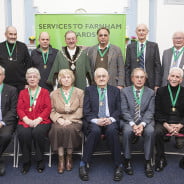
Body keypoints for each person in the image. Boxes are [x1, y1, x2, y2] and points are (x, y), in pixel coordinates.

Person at [79, 68, 123, 181]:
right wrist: (96, 120)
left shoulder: (115, 91)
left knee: (112, 131)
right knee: (95, 131)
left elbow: (119, 110)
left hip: (110, 120)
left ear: (108, 78)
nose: (102, 78)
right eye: (98, 76)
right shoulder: (89, 90)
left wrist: (111, 119)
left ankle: (118, 165)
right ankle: (84, 163)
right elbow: (86, 111)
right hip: (95, 121)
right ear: (94, 79)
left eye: (104, 76)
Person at [121, 68, 155, 178]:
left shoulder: (150, 92)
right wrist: (133, 124)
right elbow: (124, 110)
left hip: (145, 121)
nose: (139, 79)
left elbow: (150, 111)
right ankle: (127, 160)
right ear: (132, 78)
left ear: (145, 79)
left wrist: (142, 124)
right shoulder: (124, 91)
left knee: (150, 131)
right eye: (137, 77)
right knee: (127, 131)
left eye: (142, 77)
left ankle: (147, 161)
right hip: (129, 120)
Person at [17, 67, 51, 174]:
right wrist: (26, 119)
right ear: (26, 79)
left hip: (41, 120)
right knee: (24, 133)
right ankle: (26, 161)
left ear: (38, 79)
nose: (32, 79)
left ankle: (40, 160)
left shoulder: (45, 92)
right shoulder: (22, 93)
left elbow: (48, 108)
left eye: (34, 77)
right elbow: (19, 108)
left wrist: (39, 119)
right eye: (29, 77)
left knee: (38, 132)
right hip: (25, 121)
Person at [49, 69, 84, 174]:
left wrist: (70, 119)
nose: (66, 79)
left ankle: (69, 157)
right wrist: (58, 119)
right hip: (59, 119)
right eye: (63, 77)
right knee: (57, 129)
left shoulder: (80, 92)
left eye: (68, 77)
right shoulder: (54, 94)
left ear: (72, 79)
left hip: (75, 120)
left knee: (70, 129)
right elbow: (51, 110)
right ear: (59, 80)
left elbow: (82, 108)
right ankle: (61, 159)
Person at [155, 67, 184, 172]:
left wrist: (180, 125)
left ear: (181, 80)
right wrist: (166, 125)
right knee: (157, 132)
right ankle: (161, 158)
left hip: (180, 122)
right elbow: (157, 111)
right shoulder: (160, 91)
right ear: (168, 77)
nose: (174, 79)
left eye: (177, 77)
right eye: (172, 76)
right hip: (164, 121)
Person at [161, 31, 184, 149]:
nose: (178, 40)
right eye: (175, 38)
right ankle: (167, 132)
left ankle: (180, 137)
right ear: (172, 40)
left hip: (182, 88)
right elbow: (163, 70)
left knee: (180, 110)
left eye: (180, 38)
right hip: (167, 87)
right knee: (166, 109)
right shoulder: (166, 52)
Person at [125, 24, 162, 90]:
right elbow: (127, 67)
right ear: (136, 32)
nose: (141, 32)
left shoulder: (154, 46)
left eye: (143, 30)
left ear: (147, 32)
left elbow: (157, 66)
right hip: (134, 81)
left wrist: (157, 84)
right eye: (139, 30)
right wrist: (128, 84)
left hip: (150, 82)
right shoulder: (130, 47)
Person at [0, 26, 32, 93]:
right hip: (4, 83)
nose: (13, 36)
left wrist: (27, 82)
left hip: (20, 84)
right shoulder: (0, 47)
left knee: (20, 103)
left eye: (15, 34)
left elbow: (29, 65)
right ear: (5, 34)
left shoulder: (23, 46)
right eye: (11, 34)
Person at [0, 65, 17, 176]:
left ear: (4, 76)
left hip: (5, 121)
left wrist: (2, 122)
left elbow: (13, 109)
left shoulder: (11, 90)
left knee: (5, 136)